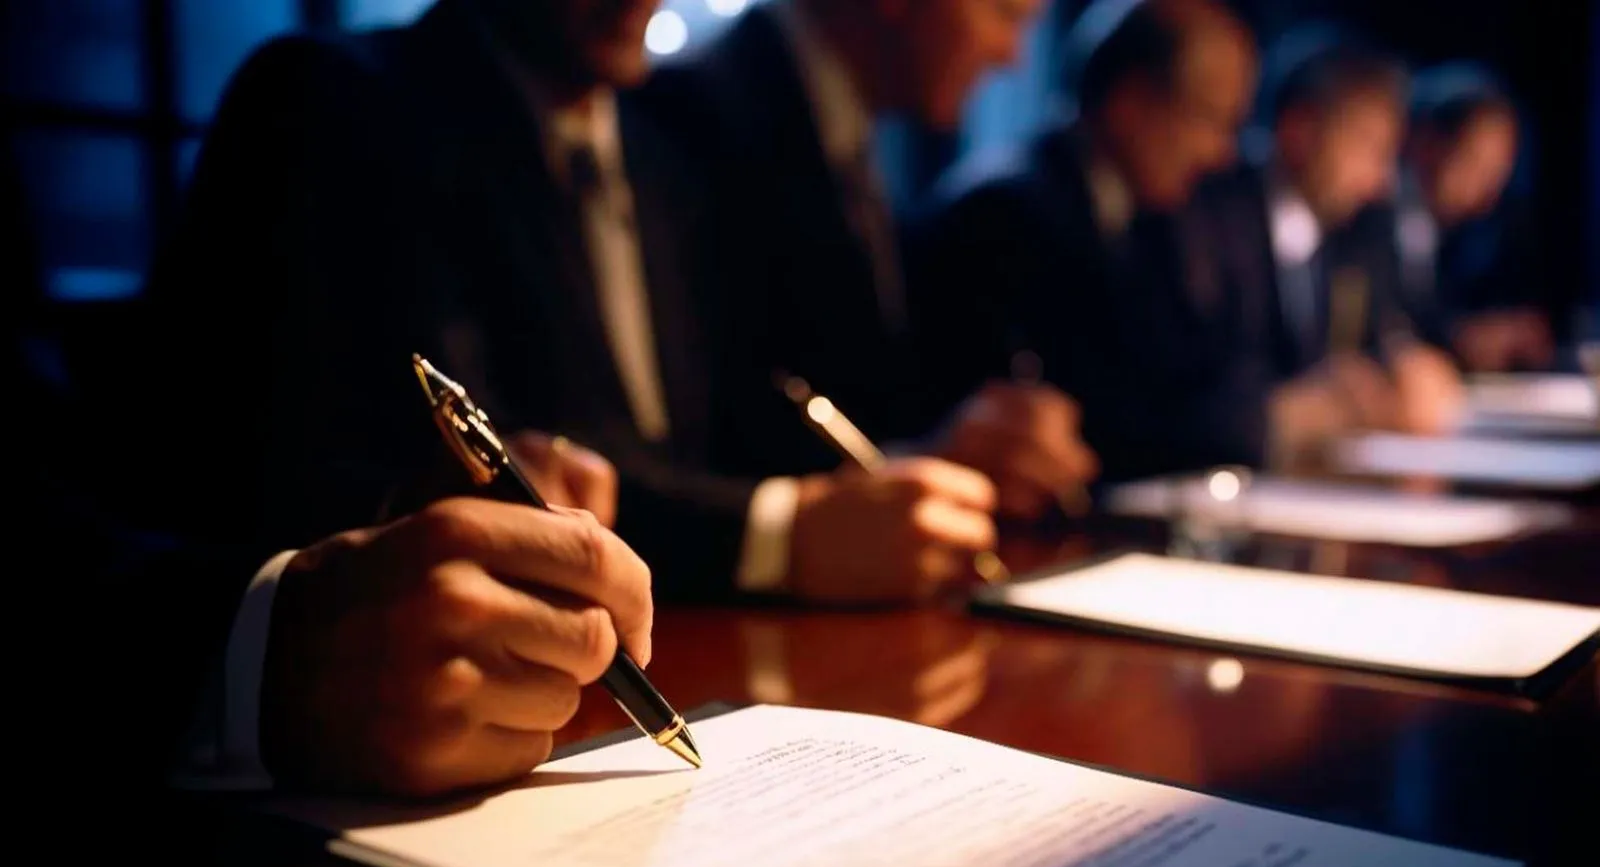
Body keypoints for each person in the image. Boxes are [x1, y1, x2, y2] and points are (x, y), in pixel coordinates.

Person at [143, 0, 1002, 605]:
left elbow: (718, 428)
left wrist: (894, 475)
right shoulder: (340, 103)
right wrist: (779, 533)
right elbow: (473, 471)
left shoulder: (666, 151)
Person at [648, 0, 1099, 522]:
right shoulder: (694, 115)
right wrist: (913, 467)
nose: (1012, 57)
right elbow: (711, 439)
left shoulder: (845, 119)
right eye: (1004, 15)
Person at [914, 0, 1264, 482]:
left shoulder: (1163, 219)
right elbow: (1111, 425)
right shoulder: (1001, 217)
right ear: (1130, 103)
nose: (1222, 154)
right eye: (1208, 118)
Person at [1187, 26, 1465, 467]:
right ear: (1298, 130)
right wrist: (1299, 409)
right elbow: (1195, 392)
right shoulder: (1208, 221)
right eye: (1368, 147)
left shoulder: (1354, 236)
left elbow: (1379, 341)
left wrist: (1403, 368)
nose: (1379, 181)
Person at [1398, 64, 1555, 372]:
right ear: (1426, 144)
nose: (1488, 197)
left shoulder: (1468, 239)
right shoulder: (1371, 225)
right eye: (1477, 169)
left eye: (1497, 175)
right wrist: (1457, 342)